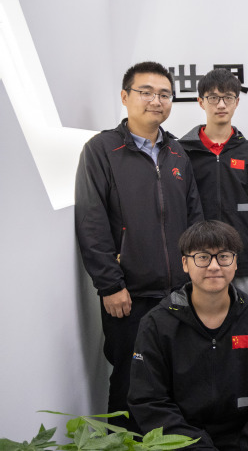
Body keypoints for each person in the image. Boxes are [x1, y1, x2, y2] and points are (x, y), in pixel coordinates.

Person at [75, 61, 203, 429]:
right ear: (125, 96)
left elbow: (195, 220)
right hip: (129, 295)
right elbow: (92, 222)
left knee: (180, 379)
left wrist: (196, 279)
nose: (156, 101)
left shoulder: (177, 153)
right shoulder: (102, 149)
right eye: (146, 92)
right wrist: (110, 285)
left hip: (180, 293)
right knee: (130, 383)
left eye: (164, 94)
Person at [129, 220, 248, 450]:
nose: (214, 266)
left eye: (223, 256)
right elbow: (148, 400)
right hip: (182, 444)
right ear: (185, 263)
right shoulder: (157, 323)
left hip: (245, 442)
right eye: (202, 257)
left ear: (235, 262)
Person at [180, 68, 248, 301]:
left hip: (243, 259)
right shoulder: (182, 152)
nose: (221, 104)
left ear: (236, 102)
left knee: (245, 318)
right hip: (198, 259)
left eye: (228, 97)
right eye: (213, 97)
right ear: (201, 102)